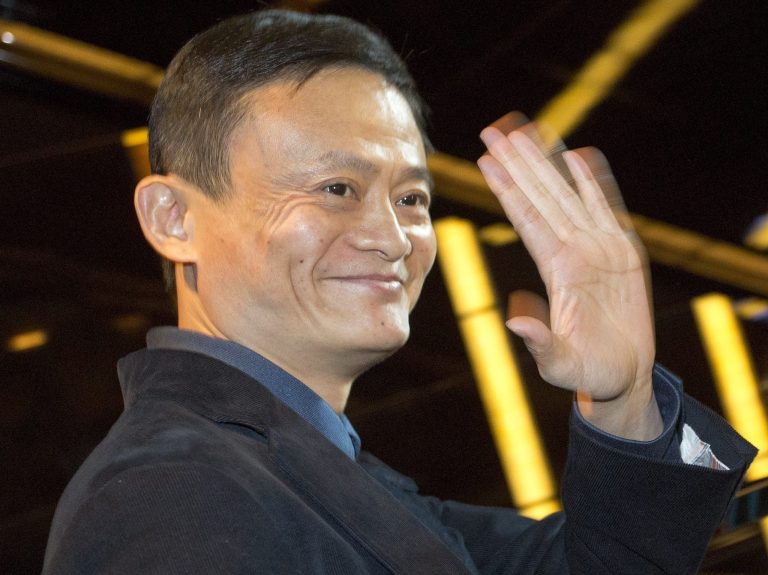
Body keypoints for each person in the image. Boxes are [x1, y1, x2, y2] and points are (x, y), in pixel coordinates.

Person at [42, 9, 756, 574]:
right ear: (176, 218)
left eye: (413, 198)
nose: (392, 237)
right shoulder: (171, 497)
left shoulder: (324, 471)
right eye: (336, 188)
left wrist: (624, 398)